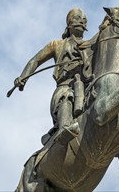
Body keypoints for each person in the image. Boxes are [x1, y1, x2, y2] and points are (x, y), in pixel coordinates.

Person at [14, 8, 93, 145]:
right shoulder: (57, 45)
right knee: (66, 97)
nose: (81, 21)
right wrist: (23, 76)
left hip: (88, 86)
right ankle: (63, 129)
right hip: (65, 86)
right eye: (77, 18)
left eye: (84, 19)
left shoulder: (91, 45)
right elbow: (36, 60)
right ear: (68, 23)